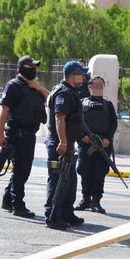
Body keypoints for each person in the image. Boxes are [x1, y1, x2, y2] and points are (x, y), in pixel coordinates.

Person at [0, 56, 49, 218]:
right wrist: (1, 135)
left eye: (34, 67)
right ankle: (17, 205)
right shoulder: (13, 86)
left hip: (30, 135)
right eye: (30, 66)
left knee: (22, 171)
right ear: (22, 68)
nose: (33, 70)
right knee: (21, 171)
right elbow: (4, 112)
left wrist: (39, 87)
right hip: (17, 134)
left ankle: (8, 199)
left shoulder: (34, 88)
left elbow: (52, 99)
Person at [44, 61, 87, 230]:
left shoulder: (70, 92)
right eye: (81, 74)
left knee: (70, 181)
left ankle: (67, 213)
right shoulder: (64, 92)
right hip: (60, 142)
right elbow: (59, 117)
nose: (83, 77)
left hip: (68, 142)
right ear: (72, 75)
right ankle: (53, 216)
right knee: (58, 180)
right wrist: (63, 141)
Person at [74, 76, 117, 214]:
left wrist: (108, 139)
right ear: (89, 87)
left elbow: (113, 123)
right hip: (86, 143)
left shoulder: (108, 104)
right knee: (84, 170)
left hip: (102, 144)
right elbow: (76, 122)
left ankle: (96, 201)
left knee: (99, 172)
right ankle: (85, 199)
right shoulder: (82, 103)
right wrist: (83, 137)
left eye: (101, 86)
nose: (98, 88)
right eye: (95, 86)